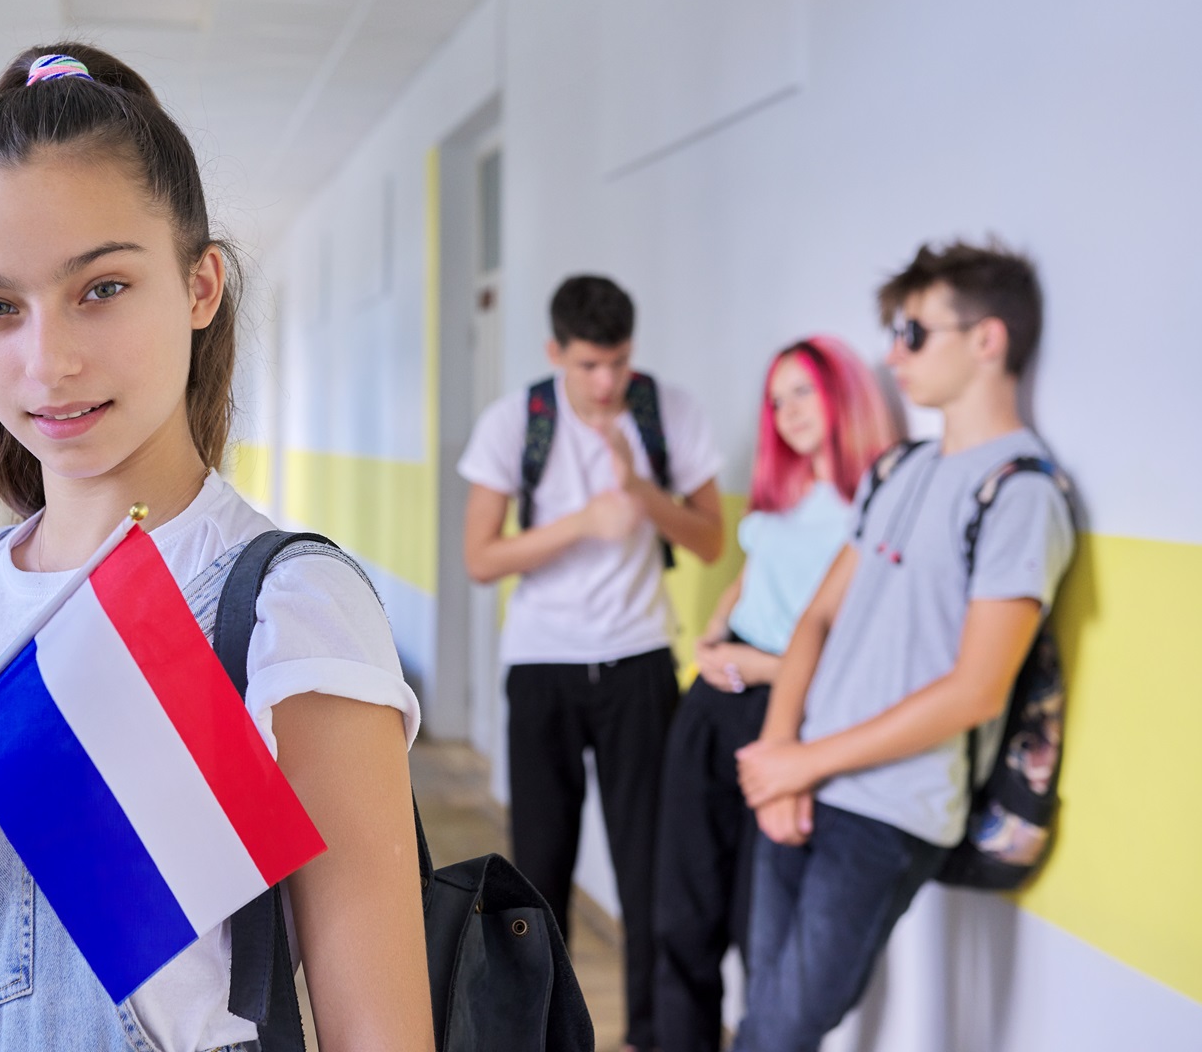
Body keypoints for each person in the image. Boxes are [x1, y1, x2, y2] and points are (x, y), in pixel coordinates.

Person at [0, 44, 433, 1051]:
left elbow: (381, 1032)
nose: (48, 361)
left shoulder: (280, 604)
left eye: (102, 288)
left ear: (199, 286)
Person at [732, 242, 1075, 1051]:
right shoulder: (899, 470)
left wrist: (802, 764)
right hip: (802, 777)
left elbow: (976, 691)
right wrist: (781, 750)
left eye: (914, 333)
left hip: (889, 808)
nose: (894, 354)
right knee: (762, 1014)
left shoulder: (1021, 492)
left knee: (783, 1027)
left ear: (988, 339)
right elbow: (816, 621)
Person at [460, 274, 726, 1052]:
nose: (607, 382)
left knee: (652, 867)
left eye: (618, 362)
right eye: (589, 366)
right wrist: (584, 521)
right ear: (556, 354)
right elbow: (481, 557)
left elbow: (710, 539)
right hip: (542, 663)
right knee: (539, 868)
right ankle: (545, 1038)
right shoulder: (516, 422)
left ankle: (658, 1035)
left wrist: (643, 494)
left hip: (641, 659)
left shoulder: (667, 411)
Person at [652, 336, 895, 1052]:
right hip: (713, 703)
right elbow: (750, 575)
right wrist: (713, 635)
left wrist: (758, 668)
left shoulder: (874, 506)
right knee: (680, 917)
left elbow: (851, 642)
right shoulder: (782, 496)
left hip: (785, 715)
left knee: (765, 935)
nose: (787, 411)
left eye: (804, 392)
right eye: (777, 397)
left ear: (843, 396)